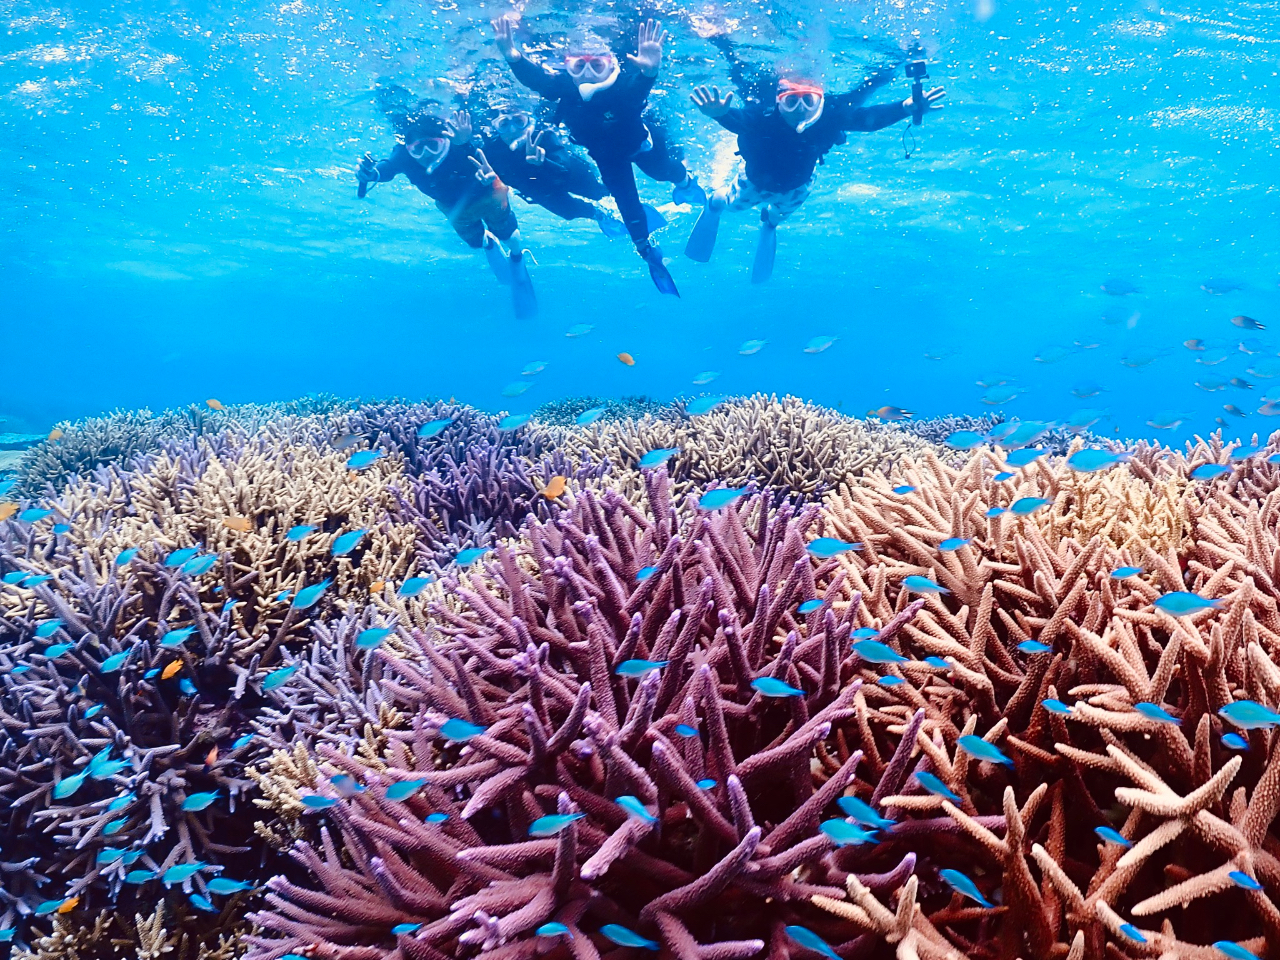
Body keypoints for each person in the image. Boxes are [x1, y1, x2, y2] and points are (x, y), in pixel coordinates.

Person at [491, 17, 705, 296]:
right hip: (608, 158)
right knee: (626, 200)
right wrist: (513, 56)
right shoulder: (563, 87)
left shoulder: (621, 87)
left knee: (662, 171)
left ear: (611, 66)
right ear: (568, 67)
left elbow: (636, 90)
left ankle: (686, 183)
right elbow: (536, 79)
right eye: (579, 65)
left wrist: (649, 72)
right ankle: (645, 248)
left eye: (597, 65)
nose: (588, 72)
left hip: (639, 145)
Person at [685, 60, 946, 282]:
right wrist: (721, 114)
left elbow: (867, 120)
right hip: (752, 184)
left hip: (797, 189)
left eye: (808, 101)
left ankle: (769, 224)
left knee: (776, 218)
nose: (800, 109)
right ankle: (714, 202)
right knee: (727, 204)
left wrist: (905, 107)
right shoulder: (763, 117)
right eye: (791, 101)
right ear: (778, 103)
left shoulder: (828, 119)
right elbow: (741, 120)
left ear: (819, 103)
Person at [356, 109, 537, 318]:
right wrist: (372, 174)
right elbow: (388, 167)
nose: (425, 155)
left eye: (433, 145)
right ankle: (488, 242)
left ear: (444, 140)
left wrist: (468, 145)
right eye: (417, 149)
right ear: (409, 148)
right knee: (475, 242)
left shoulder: (461, 142)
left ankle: (516, 257)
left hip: (488, 194)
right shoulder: (404, 155)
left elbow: (494, 152)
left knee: (510, 235)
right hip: (453, 207)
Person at [478, 107, 628, 236]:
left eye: (519, 121)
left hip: (565, 173)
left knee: (597, 192)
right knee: (568, 211)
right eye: (503, 124)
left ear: (528, 121)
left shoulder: (545, 135)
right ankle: (600, 214)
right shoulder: (492, 151)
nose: (512, 130)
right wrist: (487, 182)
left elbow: (564, 171)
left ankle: (625, 203)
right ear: (495, 128)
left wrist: (542, 163)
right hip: (536, 187)